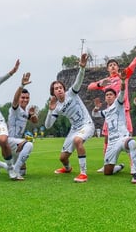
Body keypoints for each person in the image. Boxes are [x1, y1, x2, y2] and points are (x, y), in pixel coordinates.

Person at [88, 45, 136, 172]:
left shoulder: (123, 76)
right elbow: (90, 86)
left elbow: (134, 64)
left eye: (115, 64)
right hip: (110, 114)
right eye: (110, 65)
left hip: (123, 111)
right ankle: (107, 163)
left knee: (128, 137)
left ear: (118, 67)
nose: (113, 66)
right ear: (107, 68)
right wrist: (99, 84)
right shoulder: (106, 81)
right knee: (107, 138)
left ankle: (132, 165)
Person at [45, 53, 95, 183]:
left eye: (60, 87)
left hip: (86, 124)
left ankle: (83, 173)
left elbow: (78, 81)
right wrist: (50, 111)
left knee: (78, 140)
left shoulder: (71, 94)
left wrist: (82, 68)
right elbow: (48, 125)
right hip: (74, 129)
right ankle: (67, 169)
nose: (59, 90)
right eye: (56, 89)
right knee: (63, 158)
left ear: (64, 89)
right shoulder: (56, 107)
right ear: (53, 93)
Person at [91, 70, 136, 183]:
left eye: (111, 95)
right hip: (112, 143)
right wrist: (96, 108)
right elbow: (94, 114)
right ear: (105, 98)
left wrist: (123, 81)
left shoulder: (119, 104)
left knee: (132, 143)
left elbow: (122, 91)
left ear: (115, 97)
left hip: (122, 138)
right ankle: (119, 167)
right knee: (107, 172)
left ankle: (135, 173)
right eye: (107, 95)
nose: (108, 96)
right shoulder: (106, 111)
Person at [0, 72, 39, 180]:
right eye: (23, 97)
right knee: (29, 145)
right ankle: (15, 173)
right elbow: (14, 100)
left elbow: (35, 121)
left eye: (27, 98)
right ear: (19, 98)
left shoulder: (26, 111)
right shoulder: (15, 109)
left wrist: (33, 114)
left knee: (24, 171)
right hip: (7, 140)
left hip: (16, 143)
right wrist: (22, 85)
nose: (25, 100)